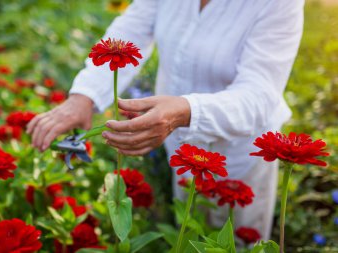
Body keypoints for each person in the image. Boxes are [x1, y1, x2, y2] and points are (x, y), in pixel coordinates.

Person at [27, 0, 305, 241]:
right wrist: (83, 95)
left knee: (233, 240)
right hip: (180, 146)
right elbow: (130, 31)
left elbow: (259, 94)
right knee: (185, 233)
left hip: (238, 157)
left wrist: (185, 110)